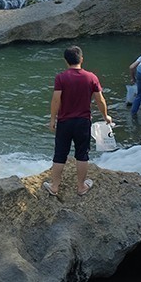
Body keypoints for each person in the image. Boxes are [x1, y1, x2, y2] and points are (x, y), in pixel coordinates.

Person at [44, 46, 111, 197]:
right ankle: (81, 187)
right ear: (81, 59)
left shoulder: (61, 77)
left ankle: (54, 187)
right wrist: (106, 116)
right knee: (82, 154)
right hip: (83, 122)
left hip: (64, 122)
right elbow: (100, 100)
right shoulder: (91, 77)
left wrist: (52, 119)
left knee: (60, 153)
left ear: (65, 61)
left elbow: (56, 100)